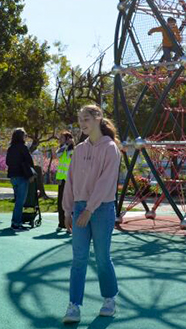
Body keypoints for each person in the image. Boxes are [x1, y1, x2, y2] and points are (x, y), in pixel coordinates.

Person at [62, 105, 121, 324]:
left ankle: (109, 299)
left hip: (102, 209)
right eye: (80, 120)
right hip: (79, 207)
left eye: (86, 119)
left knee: (102, 256)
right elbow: (70, 181)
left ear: (99, 118)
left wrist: (90, 208)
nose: (82, 123)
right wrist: (67, 209)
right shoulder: (79, 149)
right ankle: (74, 305)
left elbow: (106, 183)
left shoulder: (110, 148)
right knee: (79, 258)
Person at [6, 128, 36, 231]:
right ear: (21, 136)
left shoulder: (11, 148)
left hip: (13, 176)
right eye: (25, 135)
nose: (26, 137)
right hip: (22, 176)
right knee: (20, 201)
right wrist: (31, 173)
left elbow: (7, 162)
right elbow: (29, 161)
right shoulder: (23, 147)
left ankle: (15, 221)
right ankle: (16, 223)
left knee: (17, 200)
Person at [55, 131, 75, 234]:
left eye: (62, 138)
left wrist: (70, 145)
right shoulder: (62, 149)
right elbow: (58, 154)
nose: (60, 139)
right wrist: (66, 145)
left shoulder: (73, 150)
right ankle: (61, 223)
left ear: (68, 138)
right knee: (60, 202)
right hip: (62, 180)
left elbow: (72, 158)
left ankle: (70, 225)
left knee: (70, 203)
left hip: (70, 180)